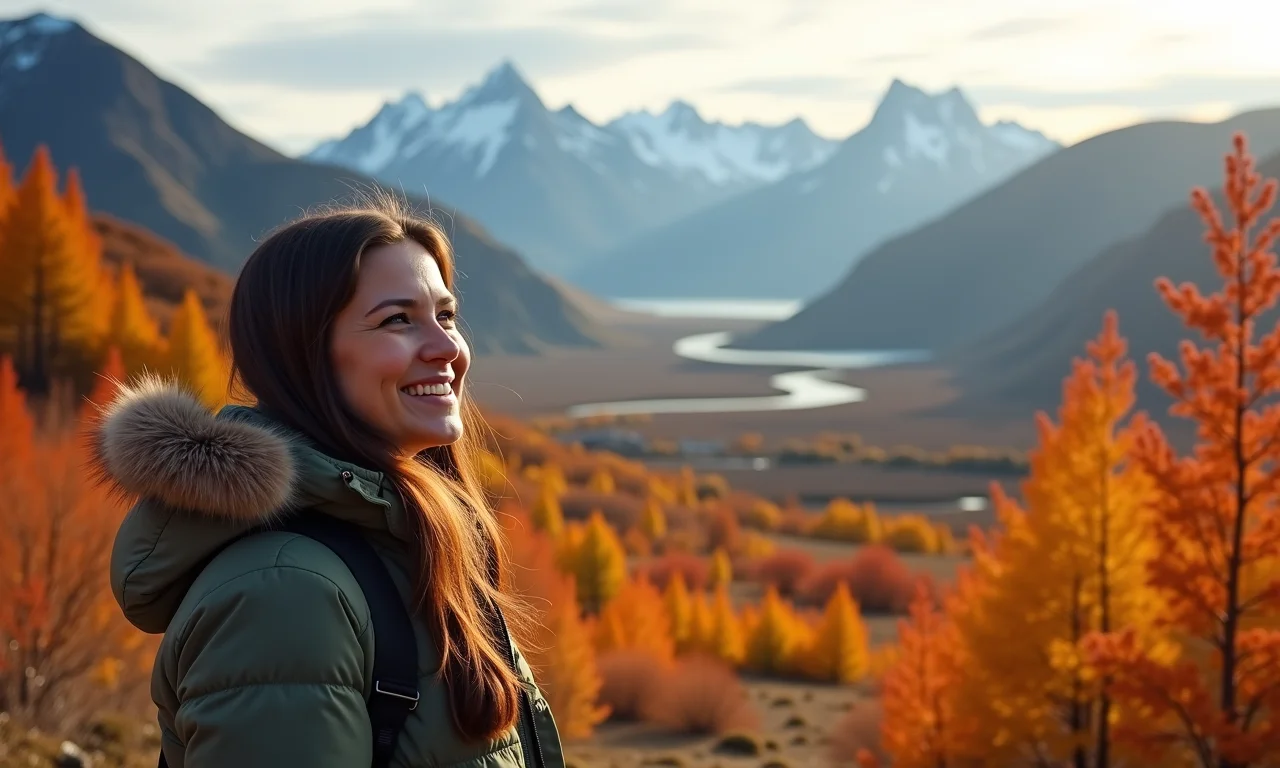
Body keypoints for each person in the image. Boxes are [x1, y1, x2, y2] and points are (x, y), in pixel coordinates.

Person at [90, 195, 566, 768]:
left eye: (445, 316)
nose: (447, 348)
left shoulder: (406, 540)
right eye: (397, 320)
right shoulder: (284, 594)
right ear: (304, 355)